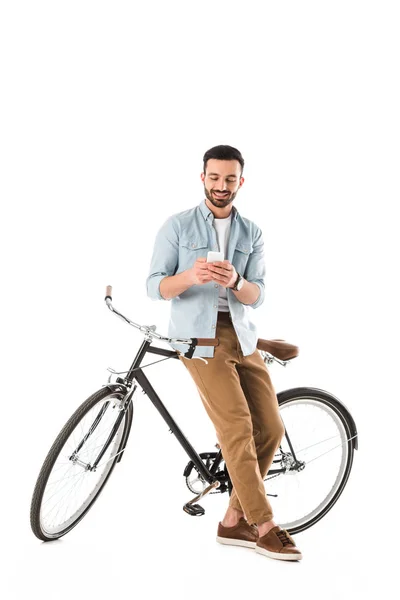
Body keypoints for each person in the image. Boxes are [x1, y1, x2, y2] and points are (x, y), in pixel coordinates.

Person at [146, 144, 302, 561]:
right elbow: (154, 286)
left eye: (229, 179)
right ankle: (265, 525)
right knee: (237, 428)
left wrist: (235, 280)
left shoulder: (251, 233)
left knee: (270, 427)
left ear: (240, 182)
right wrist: (188, 276)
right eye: (214, 178)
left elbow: (258, 295)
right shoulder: (177, 226)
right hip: (199, 341)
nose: (221, 186)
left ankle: (233, 521)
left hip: (242, 336)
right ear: (202, 178)